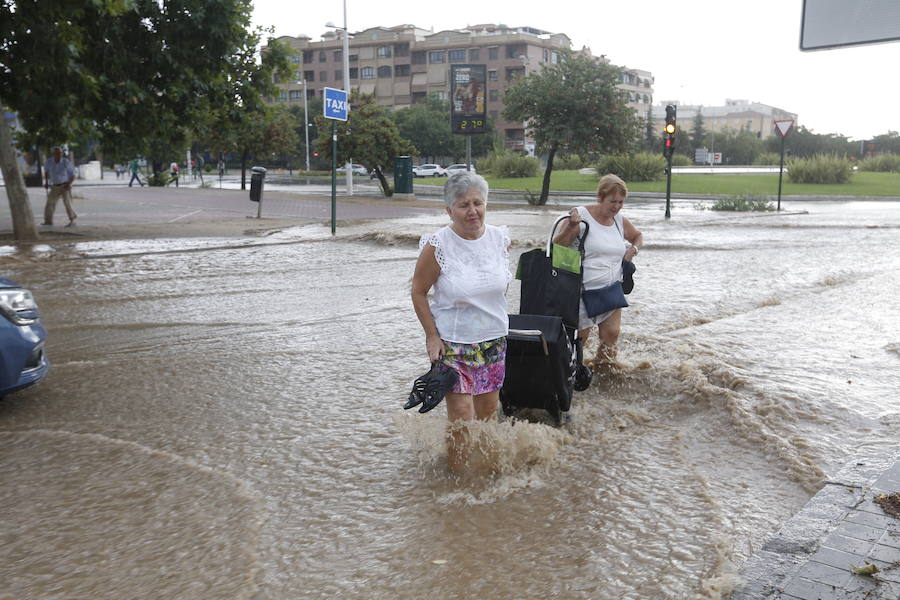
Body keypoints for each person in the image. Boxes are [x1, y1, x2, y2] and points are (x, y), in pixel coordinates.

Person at [411, 172, 511, 472]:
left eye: (478, 203)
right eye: (463, 205)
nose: (472, 211)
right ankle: (456, 478)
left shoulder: (499, 238)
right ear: (449, 210)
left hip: (493, 339)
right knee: (461, 415)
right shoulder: (438, 245)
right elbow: (418, 291)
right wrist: (432, 336)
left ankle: (488, 470)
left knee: (488, 411)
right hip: (454, 342)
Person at [553, 174, 643, 369]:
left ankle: (604, 377)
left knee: (611, 335)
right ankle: (570, 379)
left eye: (621, 202)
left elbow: (637, 236)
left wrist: (633, 249)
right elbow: (557, 248)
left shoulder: (619, 220)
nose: (616, 206)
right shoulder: (580, 216)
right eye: (612, 201)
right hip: (581, 292)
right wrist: (572, 226)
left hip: (610, 291)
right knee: (579, 342)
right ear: (600, 197)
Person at [42, 146, 77, 227]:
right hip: (54, 186)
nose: (59, 154)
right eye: (57, 153)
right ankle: (48, 221)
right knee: (50, 203)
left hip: (65, 185)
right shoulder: (49, 161)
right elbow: (46, 172)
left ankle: (72, 220)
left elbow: (73, 175)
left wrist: (69, 184)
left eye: (60, 153)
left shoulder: (66, 162)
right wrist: (46, 182)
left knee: (67, 203)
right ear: (53, 154)